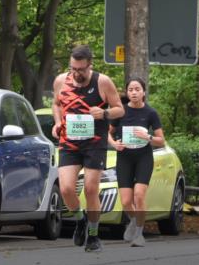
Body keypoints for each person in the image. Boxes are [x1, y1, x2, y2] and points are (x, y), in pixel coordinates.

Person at [52, 45, 124, 252]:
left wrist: (104, 114)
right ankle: (80, 220)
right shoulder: (60, 81)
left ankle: (93, 236)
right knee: (66, 189)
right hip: (69, 142)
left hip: (94, 143)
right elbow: (56, 104)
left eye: (81, 69)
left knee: (91, 189)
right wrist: (57, 123)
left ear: (89, 65)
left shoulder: (102, 82)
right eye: (73, 68)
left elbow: (120, 109)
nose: (76, 73)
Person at [107, 78, 164, 247]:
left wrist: (148, 137)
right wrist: (114, 144)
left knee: (139, 195)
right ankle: (134, 221)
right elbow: (107, 133)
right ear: (127, 92)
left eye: (137, 89)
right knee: (125, 202)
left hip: (143, 158)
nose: (133, 92)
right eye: (130, 89)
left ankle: (139, 234)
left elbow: (161, 140)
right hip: (124, 158)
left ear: (143, 92)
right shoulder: (120, 112)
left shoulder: (151, 113)